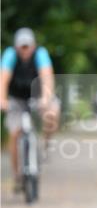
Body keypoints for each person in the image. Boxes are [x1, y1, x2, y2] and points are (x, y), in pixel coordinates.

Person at [1, 28, 56, 191]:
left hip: (37, 96)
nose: (25, 50)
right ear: (16, 47)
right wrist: (2, 100)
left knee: (52, 114)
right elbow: (3, 79)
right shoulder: (10, 55)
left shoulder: (41, 54)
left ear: (33, 46)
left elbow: (47, 77)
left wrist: (46, 99)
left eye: (27, 46)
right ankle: (17, 175)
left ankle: (46, 145)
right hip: (16, 99)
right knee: (14, 134)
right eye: (22, 47)